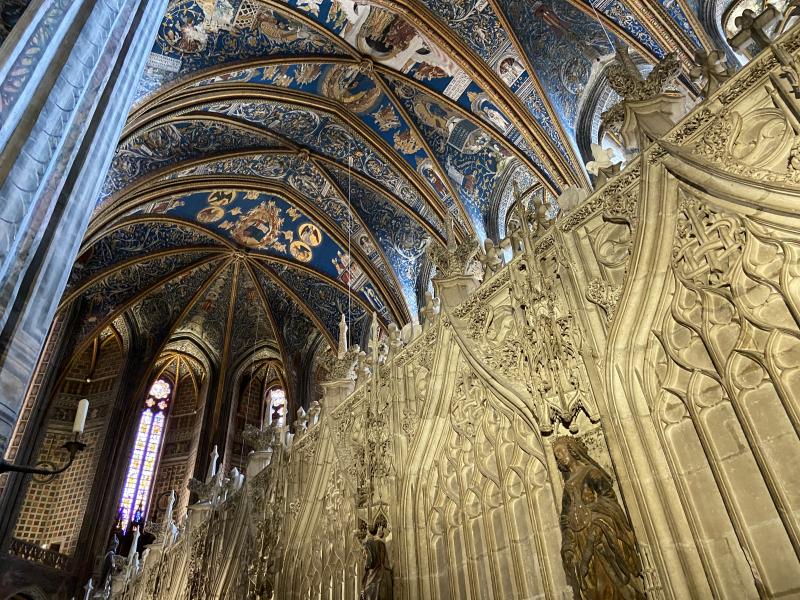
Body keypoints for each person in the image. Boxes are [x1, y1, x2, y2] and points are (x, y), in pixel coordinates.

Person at [553, 437, 645, 600]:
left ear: (572, 450)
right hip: (580, 538)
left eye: (562, 451)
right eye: (556, 454)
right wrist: (567, 542)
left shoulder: (591, 473)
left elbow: (609, 500)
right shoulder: (568, 485)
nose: (559, 456)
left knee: (611, 581)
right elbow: (565, 516)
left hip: (600, 532)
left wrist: (596, 519)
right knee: (591, 585)